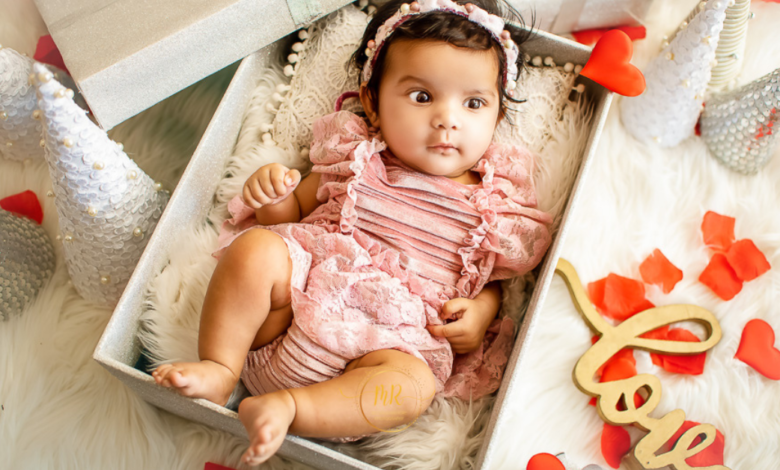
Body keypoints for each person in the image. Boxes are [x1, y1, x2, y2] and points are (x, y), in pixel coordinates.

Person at [152, 0, 552, 465]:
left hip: (383, 350)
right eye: (422, 97)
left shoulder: (493, 207)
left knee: (415, 387)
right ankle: (220, 367)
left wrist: (481, 313)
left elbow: (494, 281)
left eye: (474, 103)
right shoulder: (356, 161)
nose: (448, 118)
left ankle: (289, 408)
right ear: (373, 104)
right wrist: (272, 194)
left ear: (497, 117)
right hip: (284, 321)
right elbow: (289, 217)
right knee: (258, 249)